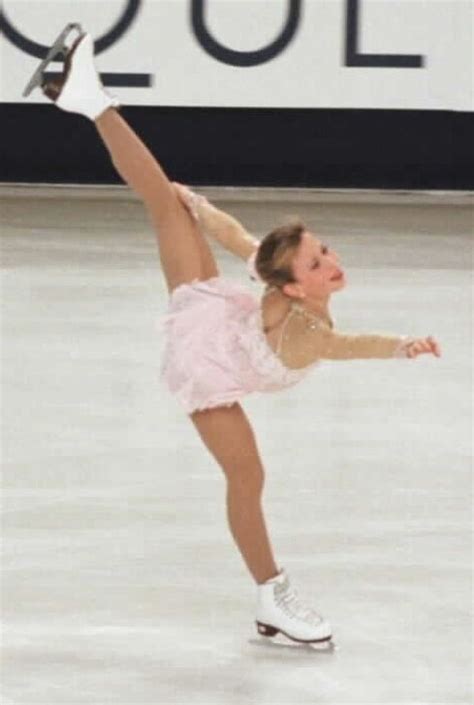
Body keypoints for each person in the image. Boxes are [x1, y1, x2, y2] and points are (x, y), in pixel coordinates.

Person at [27, 29, 441, 647]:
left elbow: (264, 263)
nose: (332, 263)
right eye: (317, 262)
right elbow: (323, 320)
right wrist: (403, 344)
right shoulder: (295, 317)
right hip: (209, 360)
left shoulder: (291, 306)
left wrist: (193, 200)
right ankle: (272, 594)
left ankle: (86, 100)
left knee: (168, 202)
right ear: (294, 288)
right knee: (248, 479)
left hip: (220, 339)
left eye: (324, 252)